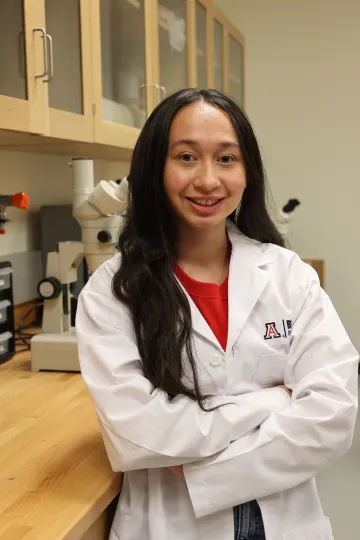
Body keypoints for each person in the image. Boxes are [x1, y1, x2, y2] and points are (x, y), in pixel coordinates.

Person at [76, 88, 358, 540]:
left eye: (226, 159)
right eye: (186, 157)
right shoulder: (113, 293)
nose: (207, 180)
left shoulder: (289, 276)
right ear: (154, 170)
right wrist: (273, 400)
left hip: (283, 520)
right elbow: (138, 437)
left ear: (248, 173)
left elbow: (334, 415)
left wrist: (204, 476)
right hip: (172, 525)